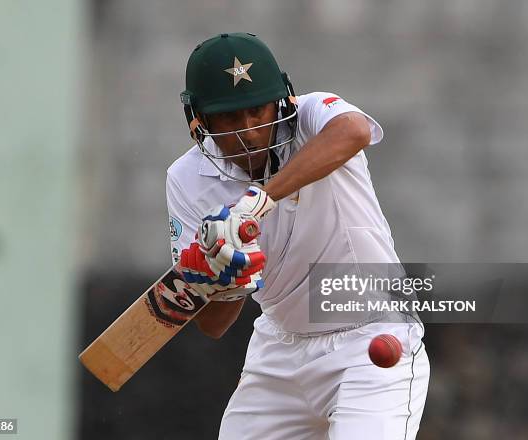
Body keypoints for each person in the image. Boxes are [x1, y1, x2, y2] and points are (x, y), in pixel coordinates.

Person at [166, 32, 429, 440]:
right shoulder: (185, 180)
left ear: (283, 100)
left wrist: (258, 201)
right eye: (230, 118)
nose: (250, 131)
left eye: (258, 111)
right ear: (199, 121)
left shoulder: (312, 117)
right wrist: (230, 281)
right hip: (277, 351)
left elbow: (355, 130)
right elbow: (213, 327)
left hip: (371, 340)